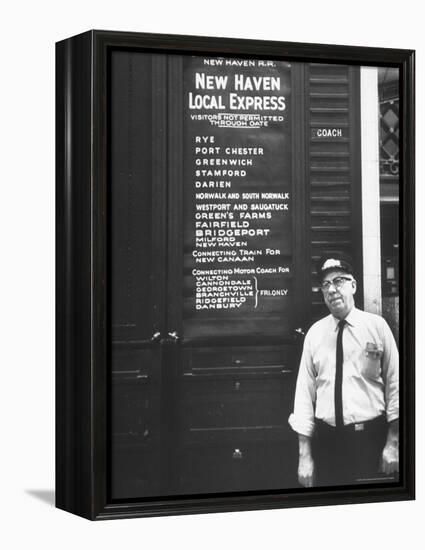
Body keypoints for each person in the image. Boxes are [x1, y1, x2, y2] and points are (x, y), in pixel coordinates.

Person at [288, 254, 399, 487]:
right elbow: (304, 396)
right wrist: (304, 456)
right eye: (326, 285)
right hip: (328, 444)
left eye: (339, 281)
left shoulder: (377, 327)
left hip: (371, 441)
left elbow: (396, 384)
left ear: (354, 285)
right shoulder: (315, 334)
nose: (332, 290)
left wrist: (393, 443)